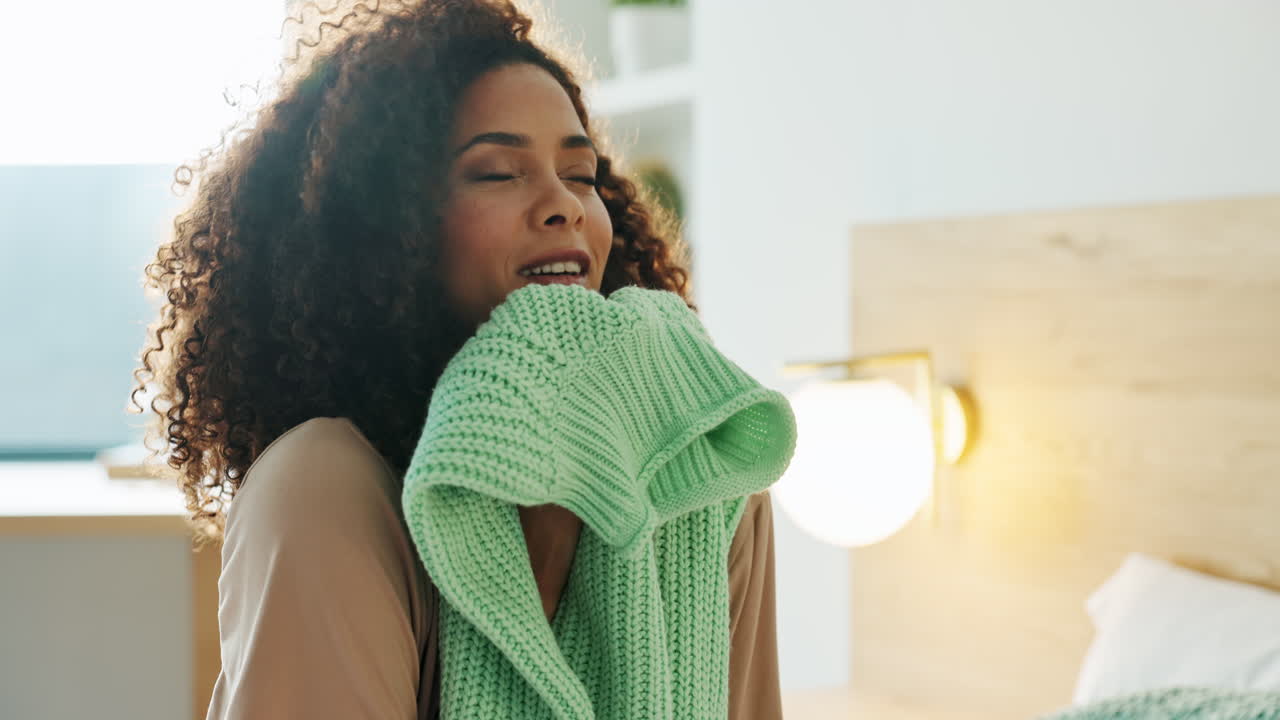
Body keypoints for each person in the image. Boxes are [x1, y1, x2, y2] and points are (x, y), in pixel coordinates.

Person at [130, 0, 784, 717]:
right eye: (499, 173)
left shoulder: (701, 465)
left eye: (583, 174)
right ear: (391, 233)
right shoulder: (324, 488)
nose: (563, 204)